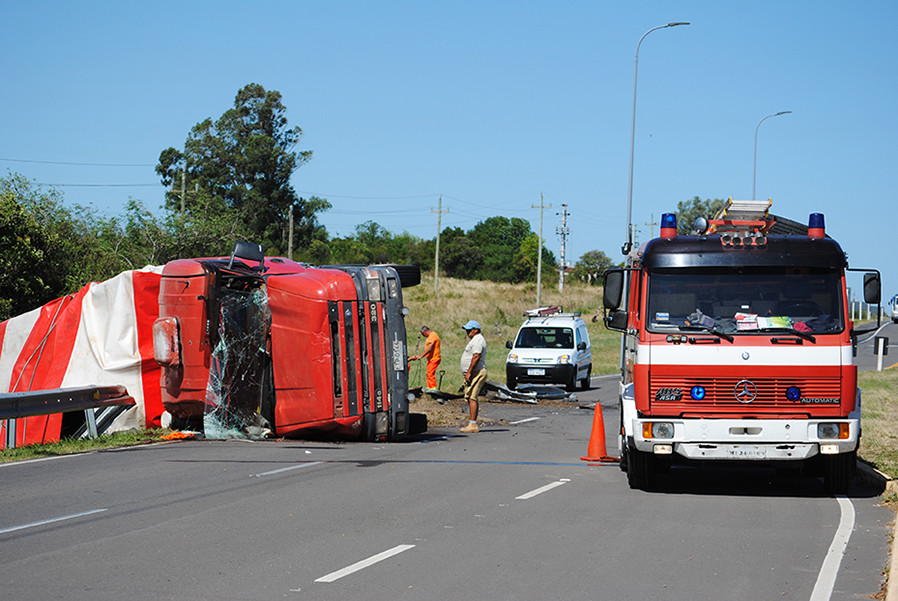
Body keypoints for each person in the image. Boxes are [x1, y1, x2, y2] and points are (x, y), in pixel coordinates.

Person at [459, 320, 487, 433]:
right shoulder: (475, 339)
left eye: (469, 330)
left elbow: (476, 356)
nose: (467, 332)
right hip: (474, 372)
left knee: (472, 397)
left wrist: (469, 372)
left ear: (476, 330)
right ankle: (472, 423)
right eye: (466, 330)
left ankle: (473, 424)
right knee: (470, 396)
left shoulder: (478, 340)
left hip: (477, 372)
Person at [408, 325, 441, 391]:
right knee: (428, 372)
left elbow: (430, 348)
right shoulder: (430, 336)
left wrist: (421, 355)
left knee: (430, 372)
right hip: (430, 359)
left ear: (426, 331)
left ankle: (433, 388)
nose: (423, 336)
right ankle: (429, 386)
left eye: (423, 334)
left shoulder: (433, 336)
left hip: (434, 358)